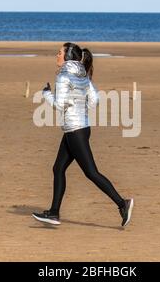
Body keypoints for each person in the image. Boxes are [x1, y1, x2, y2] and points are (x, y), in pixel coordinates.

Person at [32, 42, 134, 227]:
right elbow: (95, 99)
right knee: (58, 168)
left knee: (91, 172)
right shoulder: (82, 75)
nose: (57, 55)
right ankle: (54, 212)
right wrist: (80, 111)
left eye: (60, 53)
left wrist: (46, 93)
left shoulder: (64, 75)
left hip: (75, 130)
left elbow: (60, 105)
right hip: (81, 127)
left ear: (68, 55)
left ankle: (122, 203)